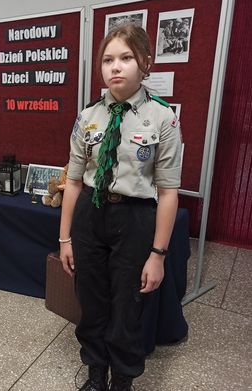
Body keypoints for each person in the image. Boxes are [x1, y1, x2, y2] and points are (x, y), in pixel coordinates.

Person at [59, 24, 182, 391]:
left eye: (126, 58)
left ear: (145, 62)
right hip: (90, 215)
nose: (116, 67)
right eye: (108, 60)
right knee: (92, 300)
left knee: (128, 306)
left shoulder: (163, 118)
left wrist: (158, 254)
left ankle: (123, 378)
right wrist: (65, 238)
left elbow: (169, 191)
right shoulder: (89, 117)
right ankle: (96, 371)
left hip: (134, 218)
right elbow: (74, 181)